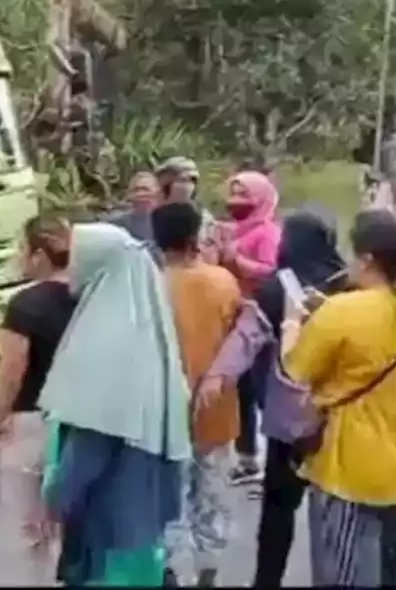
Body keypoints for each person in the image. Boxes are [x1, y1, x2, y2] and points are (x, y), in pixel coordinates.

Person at [282, 208, 396, 586]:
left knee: (346, 574)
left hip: (351, 471)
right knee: (390, 568)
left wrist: (293, 323)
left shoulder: (344, 312)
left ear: (368, 258)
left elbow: (294, 372)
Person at [38, 222, 190, 585]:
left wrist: (56, 501)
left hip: (107, 519)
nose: (71, 265)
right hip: (141, 513)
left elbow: (93, 439)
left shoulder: (108, 339)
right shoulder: (144, 326)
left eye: (77, 256)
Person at [202, 208, 348, 587]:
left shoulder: (275, 288)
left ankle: (267, 580)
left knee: (278, 509)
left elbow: (246, 337)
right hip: (340, 419)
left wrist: (218, 375)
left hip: (289, 422)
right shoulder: (349, 286)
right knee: (332, 515)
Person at [0, 214, 76, 554]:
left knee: (33, 531)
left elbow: (10, 377)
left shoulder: (25, 305)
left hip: (31, 426)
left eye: (21, 249)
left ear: (39, 255)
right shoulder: (90, 294)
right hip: (81, 421)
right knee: (72, 526)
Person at [152, 203, 243, 587]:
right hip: (216, 409)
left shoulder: (149, 285)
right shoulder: (223, 281)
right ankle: (208, 572)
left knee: (167, 497)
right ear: (196, 237)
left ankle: (168, 570)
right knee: (212, 496)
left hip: (161, 411)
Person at [217, 170, 281, 487]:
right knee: (241, 390)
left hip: (259, 319)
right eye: (233, 194)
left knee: (261, 389)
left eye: (244, 195)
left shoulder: (267, 233)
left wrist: (240, 262)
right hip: (234, 317)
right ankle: (247, 458)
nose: (236, 202)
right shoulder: (236, 230)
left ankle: (275, 457)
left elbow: (272, 272)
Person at [109, 173, 161, 261]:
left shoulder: (169, 220)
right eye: (136, 190)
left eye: (145, 189)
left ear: (157, 192)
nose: (141, 194)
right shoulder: (117, 223)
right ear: (129, 194)